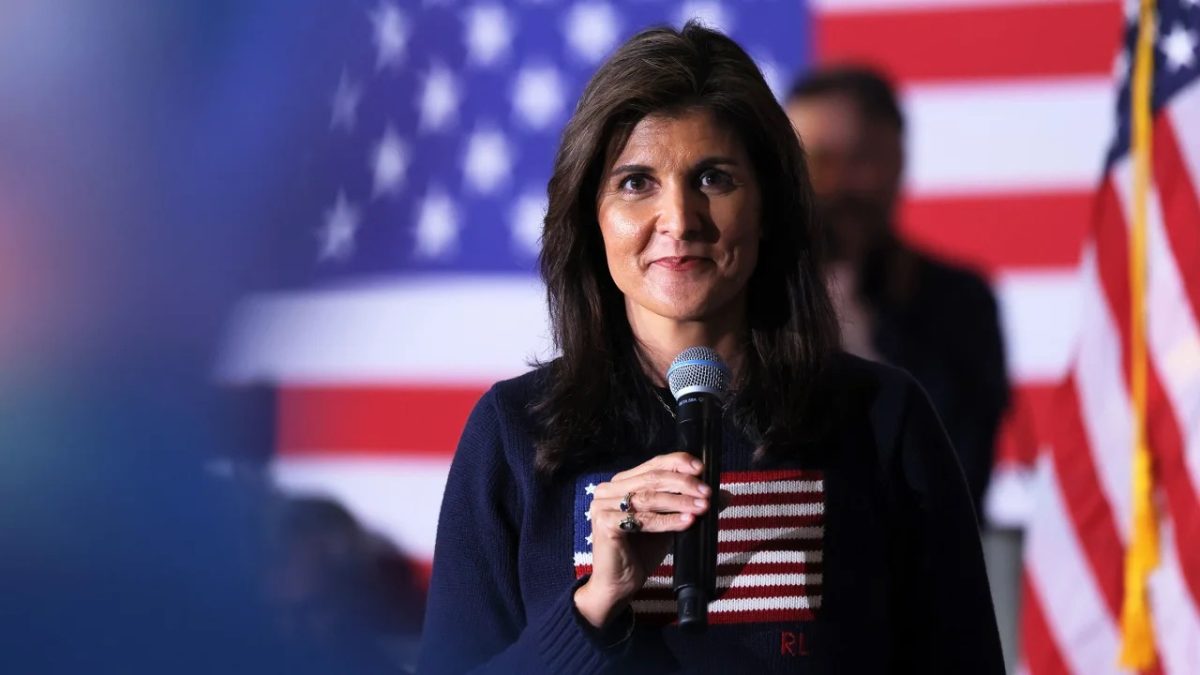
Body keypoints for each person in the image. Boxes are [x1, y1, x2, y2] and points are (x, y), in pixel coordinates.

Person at [418, 24, 1003, 674]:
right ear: (590, 214)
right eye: (637, 183)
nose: (679, 219)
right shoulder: (513, 432)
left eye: (713, 178)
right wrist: (591, 607)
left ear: (770, 207)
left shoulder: (883, 420)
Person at [785, 67, 1010, 521]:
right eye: (812, 163)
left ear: (897, 162)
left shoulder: (959, 303)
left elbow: (963, 475)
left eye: (855, 162)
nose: (832, 186)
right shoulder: (747, 298)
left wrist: (863, 338)